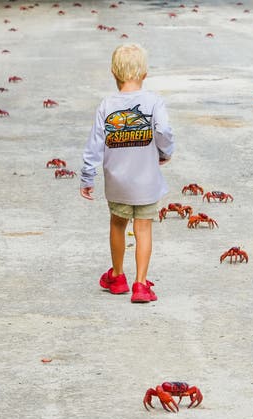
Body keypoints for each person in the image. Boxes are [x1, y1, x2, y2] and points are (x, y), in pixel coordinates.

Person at [79, 43, 175, 303]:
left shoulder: (107, 105)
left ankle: (118, 276)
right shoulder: (154, 102)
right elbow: (164, 132)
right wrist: (165, 153)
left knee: (118, 224)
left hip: (117, 182)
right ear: (144, 73)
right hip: (147, 182)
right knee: (143, 228)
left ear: (114, 72)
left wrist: (88, 177)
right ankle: (141, 285)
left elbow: (94, 144)